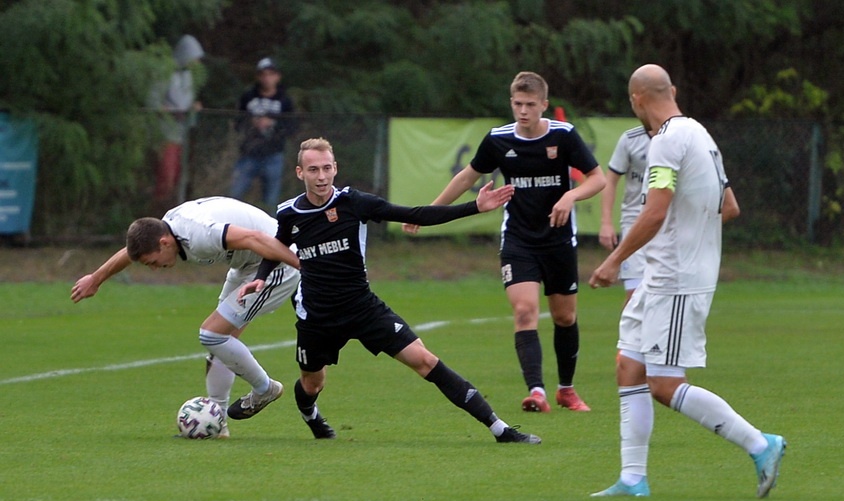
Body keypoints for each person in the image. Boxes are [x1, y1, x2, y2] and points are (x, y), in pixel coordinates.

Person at [237, 137, 541, 444]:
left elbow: (414, 214)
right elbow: (277, 246)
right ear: (300, 172)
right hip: (317, 315)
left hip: (363, 308)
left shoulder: (354, 203)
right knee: (312, 383)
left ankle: (499, 428)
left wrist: (474, 206)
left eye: (327, 168)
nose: (321, 176)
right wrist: (261, 276)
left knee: (424, 360)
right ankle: (310, 415)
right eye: (313, 169)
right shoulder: (290, 213)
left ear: (335, 168)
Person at [588, 64, 786, 498]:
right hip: (663, 275)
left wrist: (614, 261)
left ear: (636, 100)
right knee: (629, 366)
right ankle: (633, 479)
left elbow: (655, 211)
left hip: (675, 279)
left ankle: (760, 443)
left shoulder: (665, 141)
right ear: (671, 91)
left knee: (662, 383)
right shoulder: (699, 134)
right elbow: (728, 205)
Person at [404, 71, 607, 414]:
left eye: (530, 104)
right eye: (517, 104)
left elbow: (597, 179)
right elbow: (467, 176)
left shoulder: (564, 136)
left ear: (543, 104)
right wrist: (428, 212)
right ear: (511, 103)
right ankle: (537, 391)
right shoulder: (498, 140)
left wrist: (570, 197)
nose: (523, 111)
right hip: (519, 240)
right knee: (525, 311)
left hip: (557, 240)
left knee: (565, 317)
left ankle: (566, 390)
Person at [70, 197, 301, 438]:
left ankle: (265, 389)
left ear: (164, 242)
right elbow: (130, 254)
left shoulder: (199, 235)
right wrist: (95, 279)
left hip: (277, 263)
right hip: (246, 265)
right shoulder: (164, 231)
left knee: (211, 334)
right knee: (220, 344)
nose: (154, 268)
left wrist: (303, 264)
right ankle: (218, 422)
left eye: (152, 262)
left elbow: (257, 238)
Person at [147, 35, 205, 215]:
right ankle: (156, 213)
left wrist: (194, 108)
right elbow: (154, 101)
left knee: (180, 176)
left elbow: (188, 101)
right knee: (166, 175)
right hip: (166, 133)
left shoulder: (190, 77)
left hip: (184, 134)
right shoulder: (165, 74)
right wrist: (169, 111)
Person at [230, 57, 296, 210]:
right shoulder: (248, 97)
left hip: (273, 155)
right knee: (234, 195)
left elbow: (292, 126)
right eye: (263, 74)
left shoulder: (285, 100)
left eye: (271, 74)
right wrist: (251, 122)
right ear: (258, 77)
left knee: (270, 201)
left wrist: (272, 123)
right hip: (248, 154)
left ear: (277, 76)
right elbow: (237, 122)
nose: (267, 78)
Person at [599, 125, 651, 305]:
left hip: (670, 224)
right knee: (634, 297)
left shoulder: (680, 136)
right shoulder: (630, 139)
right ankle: (628, 335)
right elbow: (610, 180)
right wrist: (606, 223)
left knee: (664, 295)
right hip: (634, 222)